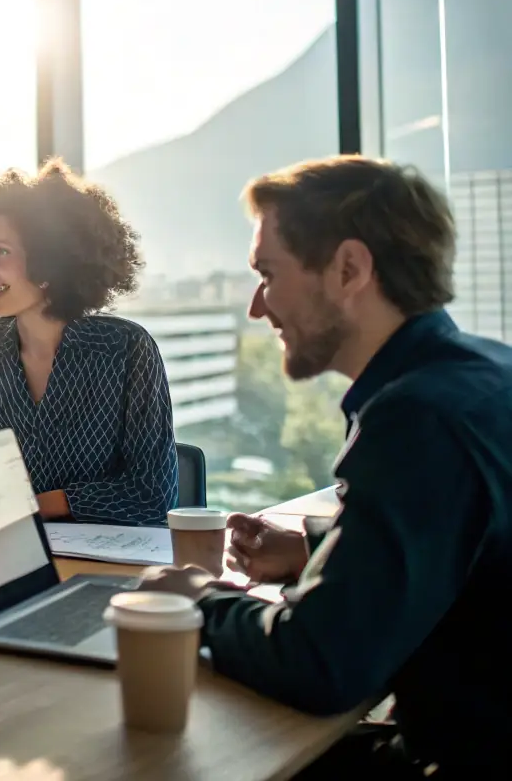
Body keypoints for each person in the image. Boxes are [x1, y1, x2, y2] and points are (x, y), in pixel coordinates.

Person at [138, 155, 512, 777]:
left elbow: (321, 663)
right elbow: (460, 542)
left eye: (269, 274)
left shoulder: (416, 419)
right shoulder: (484, 372)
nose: (258, 307)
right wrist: (319, 548)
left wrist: (197, 600)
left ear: (348, 269)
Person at [0, 159, 177, 526]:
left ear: (49, 262)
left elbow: (153, 493)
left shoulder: (126, 349)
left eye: (1, 251)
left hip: (107, 564)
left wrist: (35, 504)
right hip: (6, 557)